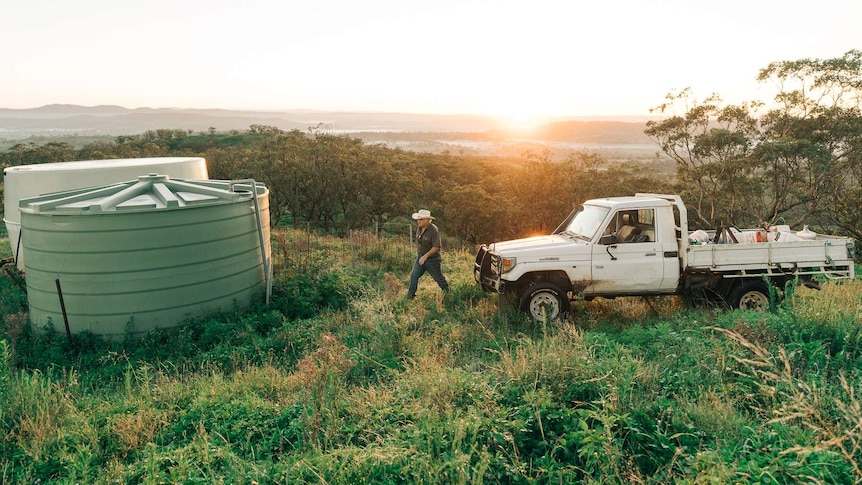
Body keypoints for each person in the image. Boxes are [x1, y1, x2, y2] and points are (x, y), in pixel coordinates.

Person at [407, 209, 449, 299]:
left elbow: (437, 247)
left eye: (421, 219)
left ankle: (448, 293)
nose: (418, 221)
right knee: (414, 275)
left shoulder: (433, 230)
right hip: (420, 257)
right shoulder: (419, 227)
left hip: (432, 260)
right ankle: (410, 295)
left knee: (439, 278)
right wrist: (421, 255)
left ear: (427, 220)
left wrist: (425, 256)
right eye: (418, 219)